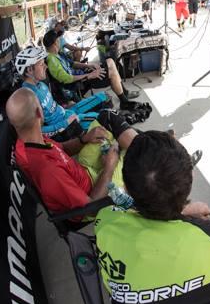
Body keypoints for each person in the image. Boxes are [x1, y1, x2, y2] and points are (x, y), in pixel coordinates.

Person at [95, 130, 210, 304]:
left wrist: (183, 213)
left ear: (126, 188)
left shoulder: (106, 220)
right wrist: (184, 214)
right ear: (191, 179)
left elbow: (127, 211)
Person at [7, 87, 136, 214]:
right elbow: (91, 207)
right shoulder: (47, 170)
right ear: (39, 113)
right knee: (131, 158)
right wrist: (109, 166)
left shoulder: (29, 139)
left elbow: (62, 149)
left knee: (107, 117)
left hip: (83, 172)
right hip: (95, 195)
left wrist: (84, 138)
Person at [14, 46, 111, 140]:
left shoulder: (40, 84)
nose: (46, 67)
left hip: (67, 113)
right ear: (30, 70)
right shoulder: (28, 97)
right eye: (41, 64)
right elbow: (39, 131)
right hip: (65, 126)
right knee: (107, 118)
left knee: (105, 97)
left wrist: (66, 107)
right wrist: (66, 123)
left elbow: (51, 107)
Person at [43, 29, 139, 107]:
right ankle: (124, 101)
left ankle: (124, 93)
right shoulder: (52, 60)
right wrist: (89, 75)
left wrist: (88, 65)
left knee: (110, 61)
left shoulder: (58, 53)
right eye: (58, 40)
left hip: (81, 74)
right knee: (112, 73)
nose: (60, 41)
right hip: (78, 83)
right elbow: (66, 79)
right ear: (55, 43)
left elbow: (72, 64)